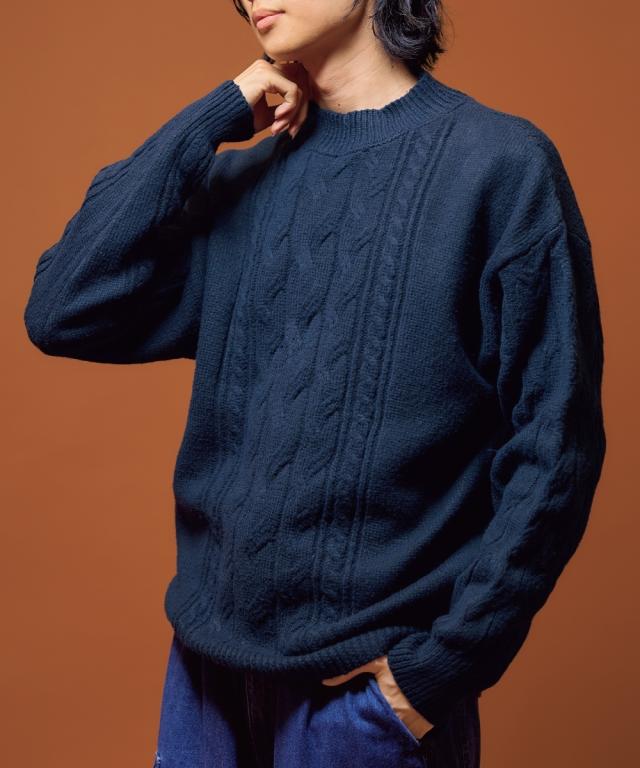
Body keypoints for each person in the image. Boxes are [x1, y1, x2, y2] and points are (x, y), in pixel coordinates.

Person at [23, 0, 606, 766]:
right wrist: (215, 115)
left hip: (363, 702)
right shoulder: (246, 179)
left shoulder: (498, 166)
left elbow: (556, 446)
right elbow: (60, 307)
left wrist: (437, 673)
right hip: (205, 683)